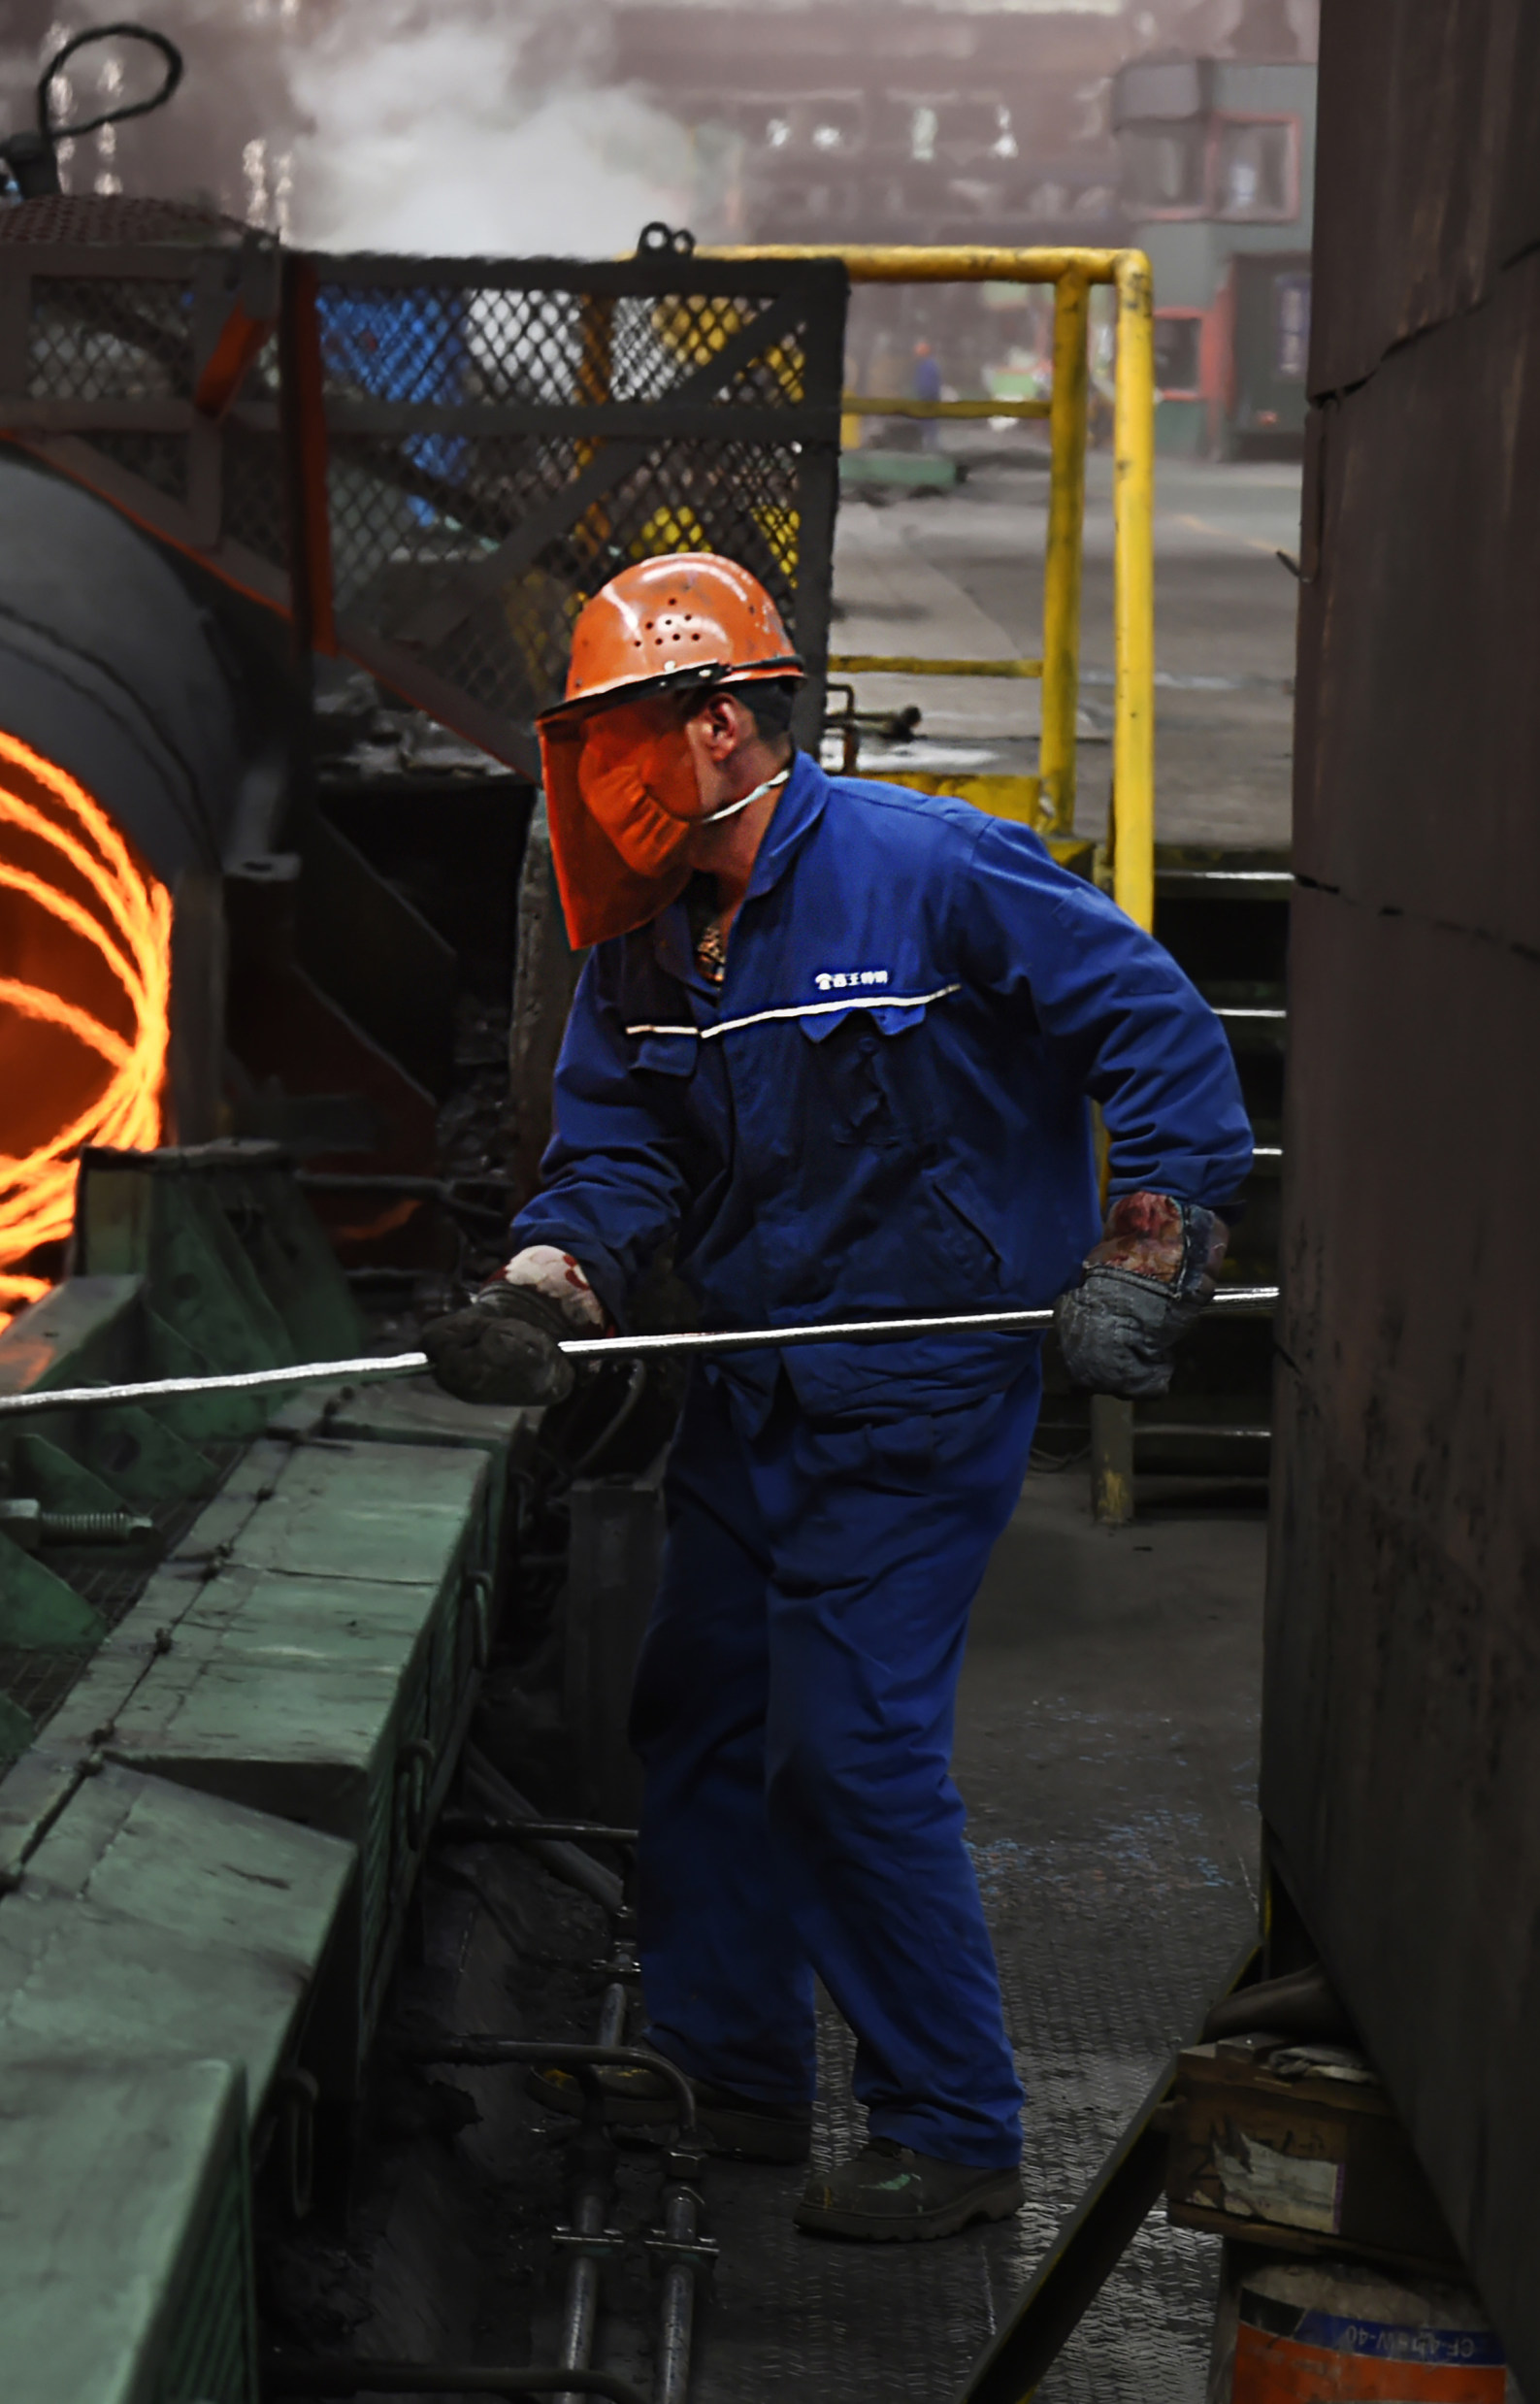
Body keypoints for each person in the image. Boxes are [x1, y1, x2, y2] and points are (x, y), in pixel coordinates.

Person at [421, 554, 1249, 2241]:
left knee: (847, 1754)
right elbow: (617, 1148)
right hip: (753, 1376)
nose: (595, 779)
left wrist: (1150, 1242)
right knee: (705, 1711)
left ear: (718, 722)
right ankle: (730, 2072)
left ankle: (952, 2123)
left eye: (617, 739)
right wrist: (543, 1285)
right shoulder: (650, 944)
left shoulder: (930, 870)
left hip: (919, 1388)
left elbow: (1150, 1021)